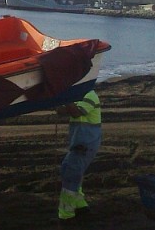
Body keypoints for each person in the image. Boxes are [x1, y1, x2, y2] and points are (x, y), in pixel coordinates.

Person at [55, 89, 102, 221]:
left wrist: (65, 97)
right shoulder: (77, 95)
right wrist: (58, 98)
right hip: (79, 143)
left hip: (86, 143)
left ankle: (66, 214)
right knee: (68, 170)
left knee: (71, 175)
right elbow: (61, 111)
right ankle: (80, 205)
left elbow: (76, 112)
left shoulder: (89, 95)